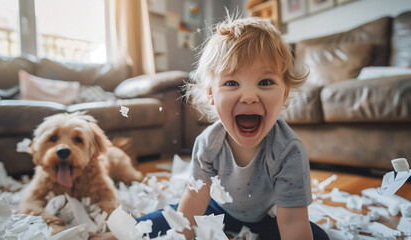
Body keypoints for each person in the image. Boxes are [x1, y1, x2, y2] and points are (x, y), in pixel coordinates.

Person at [89, 16, 329, 240]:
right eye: (232, 83)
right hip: (215, 210)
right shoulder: (208, 143)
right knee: (150, 224)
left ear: (285, 92)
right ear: (212, 95)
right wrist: (179, 234)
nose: (248, 96)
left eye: (265, 82)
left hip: (268, 218)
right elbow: (193, 202)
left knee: (317, 236)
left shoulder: (289, 150)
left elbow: (293, 221)